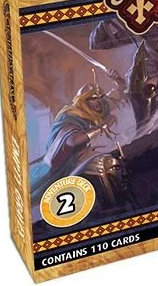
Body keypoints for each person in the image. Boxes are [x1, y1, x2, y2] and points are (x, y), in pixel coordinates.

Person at [30, 75, 132, 210]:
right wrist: (102, 127)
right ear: (84, 100)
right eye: (93, 98)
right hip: (66, 161)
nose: (99, 102)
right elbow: (72, 140)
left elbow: (121, 97)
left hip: (89, 153)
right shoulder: (72, 115)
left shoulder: (100, 107)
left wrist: (118, 80)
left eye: (100, 97)